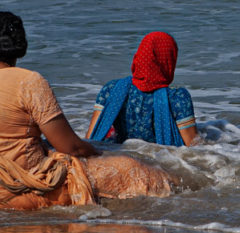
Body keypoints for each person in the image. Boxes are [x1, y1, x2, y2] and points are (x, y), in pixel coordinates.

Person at [0, 12, 176, 210]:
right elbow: (70, 147)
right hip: (25, 184)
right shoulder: (28, 82)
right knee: (137, 171)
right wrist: (97, 152)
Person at [86, 31, 199, 147]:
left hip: (121, 155)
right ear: (168, 60)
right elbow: (193, 146)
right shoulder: (177, 97)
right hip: (158, 160)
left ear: (139, 56)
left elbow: (91, 137)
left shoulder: (111, 89)